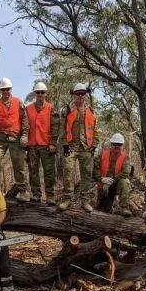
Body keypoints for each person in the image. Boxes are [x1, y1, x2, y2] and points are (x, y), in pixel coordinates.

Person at [0, 78, 30, 202]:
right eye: (3, 89)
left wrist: (25, 135)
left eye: (7, 89)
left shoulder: (18, 102)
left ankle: (23, 191)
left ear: (11, 89)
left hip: (15, 137)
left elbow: (25, 120)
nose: (5, 92)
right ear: (0, 91)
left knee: (19, 163)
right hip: (0, 138)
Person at [59, 83, 98, 212]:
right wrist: (65, 144)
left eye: (82, 93)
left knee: (87, 174)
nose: (80, 96)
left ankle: (85, 201)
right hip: (71, 146)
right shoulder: (68, 109)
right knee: (68, 171)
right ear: (74, 95)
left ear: (85, 95)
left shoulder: (91, 110)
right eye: (78, 94)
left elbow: (95, 129)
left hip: (86, 147)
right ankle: (67, 199)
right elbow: (63, 128)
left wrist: (94, 145)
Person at [26, 82, 59, 204]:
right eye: (38, 92)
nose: (40, 94)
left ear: (46, 94)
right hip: (32, 145)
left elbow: (56, 127)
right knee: (33, 171)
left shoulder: (51, 108)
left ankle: (50, 196)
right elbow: (24, 126)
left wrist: (53, 143)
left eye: (42, 92)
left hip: (46, 145)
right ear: (35, 94)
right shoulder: (28, 108)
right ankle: (36, 194)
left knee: (49, 171)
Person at [94, 133, 132, 216]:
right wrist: (101, 179)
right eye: (115, 144)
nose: (117, 146)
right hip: (102, 185)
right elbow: (94, 168)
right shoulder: (102, 154)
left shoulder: (125, 157)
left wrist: (111, 181)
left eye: (119, 144)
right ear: (111, 144)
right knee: (103, 209)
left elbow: (126, 173)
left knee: (125, 181)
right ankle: (103, 203)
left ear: (122, 145)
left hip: (116, 185)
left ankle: (124, 207)